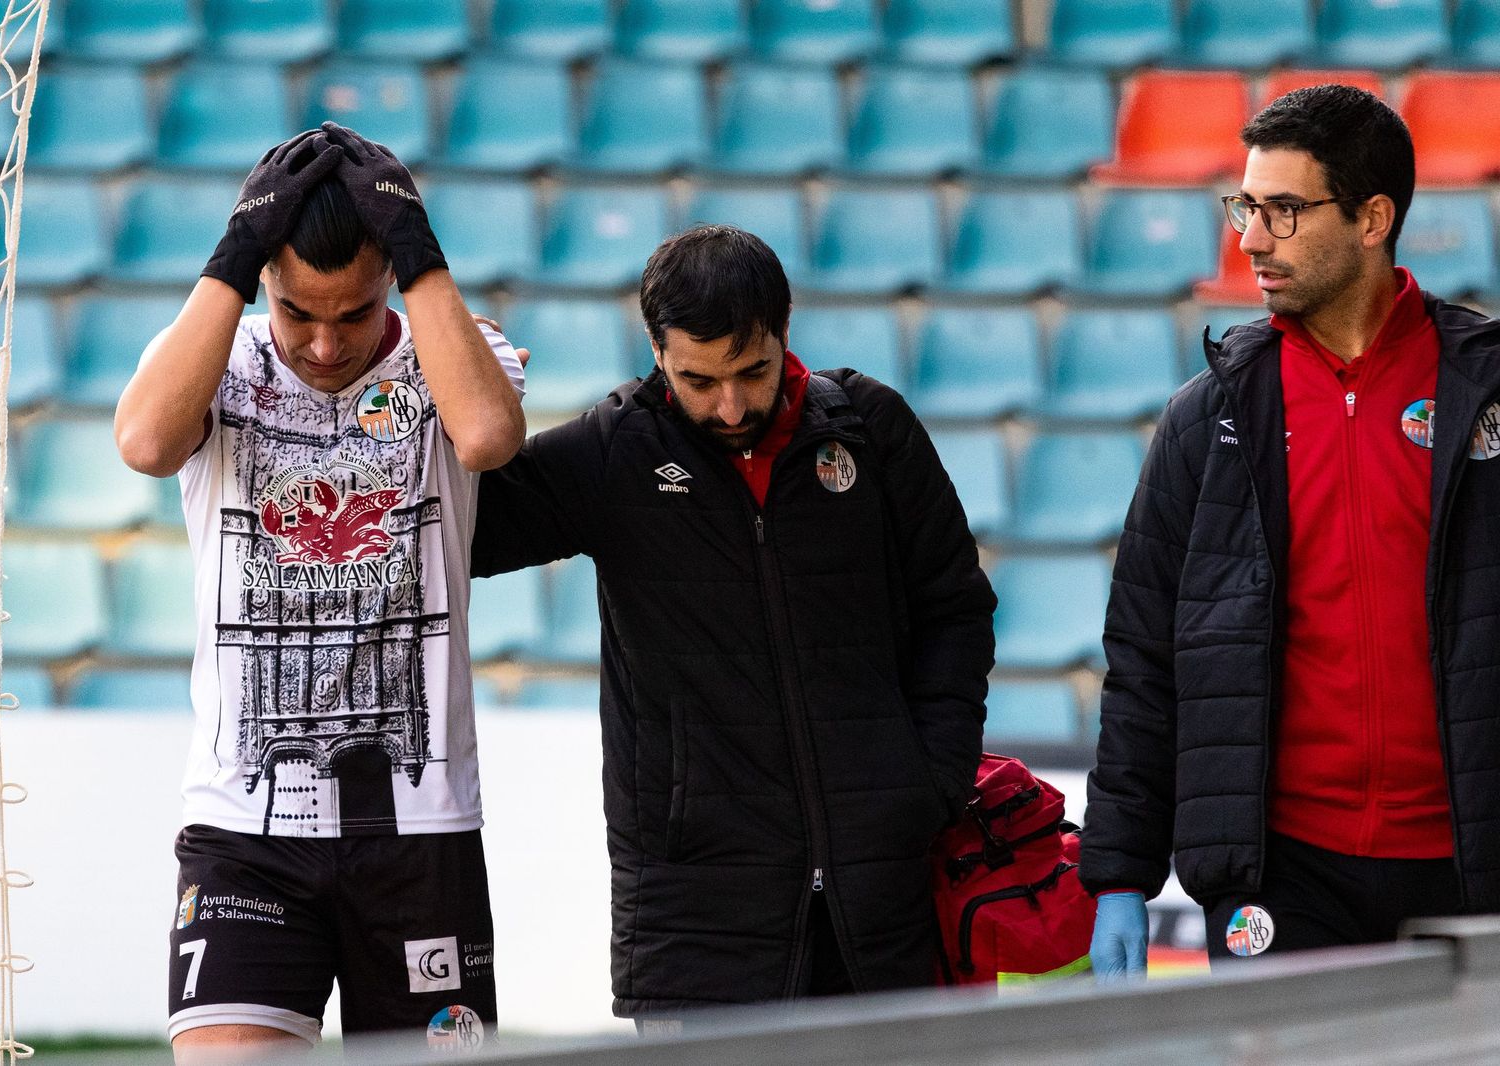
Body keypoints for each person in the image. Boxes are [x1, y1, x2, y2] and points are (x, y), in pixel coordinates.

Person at [470, 225, 996, 1022]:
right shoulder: (615, 452)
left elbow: (955, 608)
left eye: (751, 371)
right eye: (697, 380)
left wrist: (927, 785)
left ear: (786, 329)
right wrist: (439, 375)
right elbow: (454, 538)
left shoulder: (871, 429)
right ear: (655, 350)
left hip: (880, 904)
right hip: (693, 920)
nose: (730, 405)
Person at [113, 123, 525, 1060]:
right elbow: (143, 445)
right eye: (301, 312)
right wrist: (232, 256)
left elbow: (489, 440)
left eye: (358, 310)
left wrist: (421, 261)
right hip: (244, 827)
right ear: (263, 281)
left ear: (393, 276)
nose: (329, 344)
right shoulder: (212, 362)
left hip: (421, 828)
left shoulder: (453, 353)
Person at [1081, 84, 1500, 977]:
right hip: (1282, 877)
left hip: (1472, 868)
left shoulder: (1487, 396)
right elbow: (1147, 654)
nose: (1250, 236)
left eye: (1283, 209)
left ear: (1373, 217)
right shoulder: (1209, 417)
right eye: (1246, 205)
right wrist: (1118, 873)